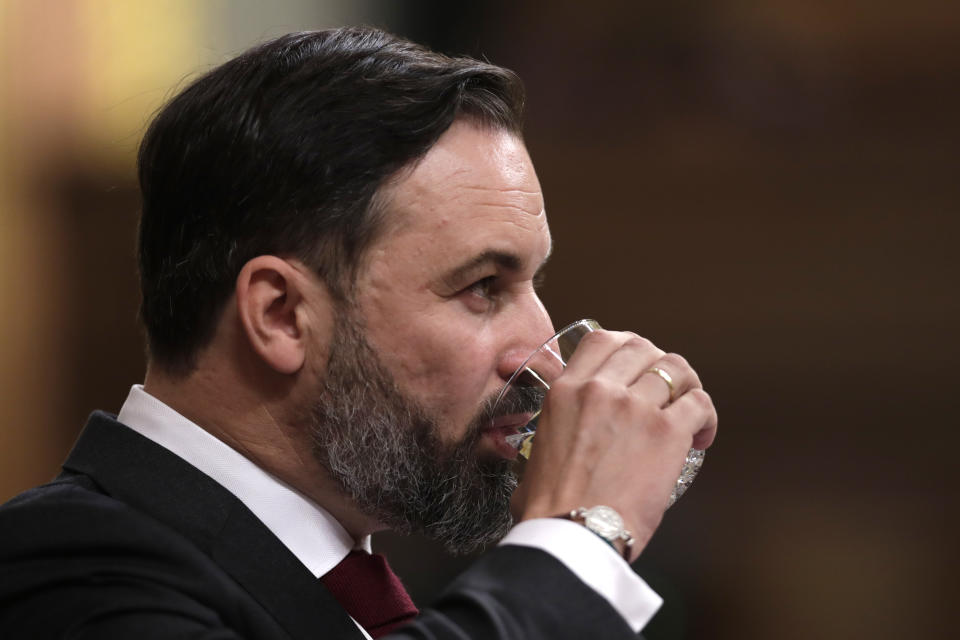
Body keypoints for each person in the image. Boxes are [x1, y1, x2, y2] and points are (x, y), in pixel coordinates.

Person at [0, 27, 717, 639]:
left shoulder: (340, 582)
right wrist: (581, 536)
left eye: (532, 284)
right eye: (481, 288)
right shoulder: (63, 571)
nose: (546, 358)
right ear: (282, 314)